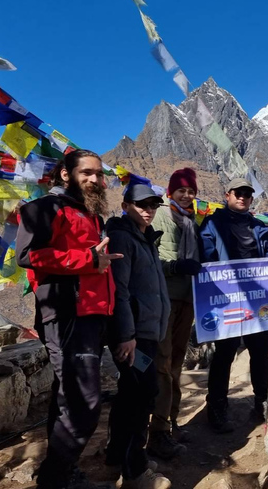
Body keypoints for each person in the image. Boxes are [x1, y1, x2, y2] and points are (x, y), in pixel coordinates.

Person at [16, 150, 122, 489]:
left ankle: (61, 470)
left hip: (92, 315)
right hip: (66, 315)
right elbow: (27, 255)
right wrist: (88, 260)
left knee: (68, 398)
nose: (95, 179)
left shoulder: (89, 213)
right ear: (66, 174)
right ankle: (53, 478)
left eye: (99, 174)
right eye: (87, 173)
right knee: (84, 404)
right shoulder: (45, 208)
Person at [104, 184, 172, 489]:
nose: (148, 210)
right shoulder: (122, 237)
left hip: (145, 332)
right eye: (141, 204)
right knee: (142, 396)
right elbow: (119, 290)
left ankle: (117, 453)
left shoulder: (144, 237)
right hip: (134, 335)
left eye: (153, 205)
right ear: (126, 204)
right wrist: (126, 335)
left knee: (130, 394)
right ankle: (135, 470)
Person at [199, 178, 268, 432]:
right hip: (226, 300)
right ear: (227, 194)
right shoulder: (212, 223)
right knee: (224, 354)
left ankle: (263, 400)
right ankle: (217, 406)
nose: (243, 197)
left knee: (260, 351)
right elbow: (206, 255)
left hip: (257, 300)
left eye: (248, 194)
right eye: (238, 193)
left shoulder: (260, 226)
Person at [147, 168, 202, 457]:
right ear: (171, 192)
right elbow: (150, 256)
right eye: (181, 190)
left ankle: (172, 420)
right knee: (163, 363)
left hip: (188, 300)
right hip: (164, 300)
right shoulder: (159, 217)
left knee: (178, 360)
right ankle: (157, 430)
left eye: (191, 191)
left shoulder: (193, 223)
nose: (187, 195)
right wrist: (175, 267)